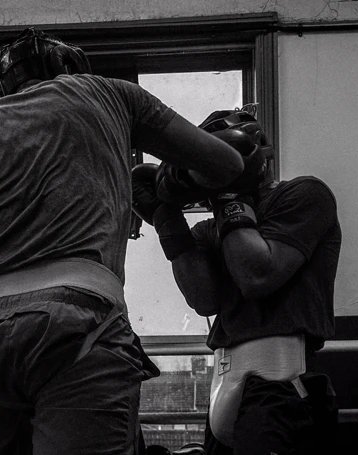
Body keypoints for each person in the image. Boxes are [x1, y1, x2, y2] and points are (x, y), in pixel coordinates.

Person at [0, 27, 247, 455]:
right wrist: (166, 187)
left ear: (2, 89)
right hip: (79, 321)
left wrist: (5, 255)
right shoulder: (109, 93)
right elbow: (228, 164)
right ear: (72, 70)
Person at [132, 107, 342, 454]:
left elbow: (257, 275)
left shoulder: (304, 195)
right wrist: (165, 216)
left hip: (283, 383)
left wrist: (230, 193)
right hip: (225, 382)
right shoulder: (209, 230)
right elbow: (203, 299)